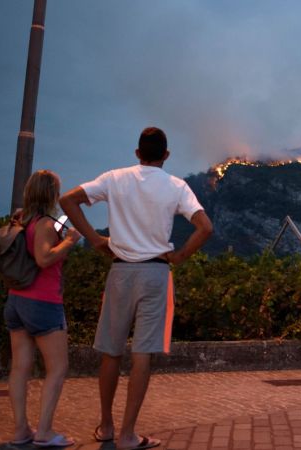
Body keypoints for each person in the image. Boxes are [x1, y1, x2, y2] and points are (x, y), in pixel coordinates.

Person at [60, 127, 213, 450]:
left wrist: (95, 239)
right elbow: (205, 227)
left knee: (111, 351)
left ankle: (106, 425)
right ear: (166, 155)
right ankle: (129, 434)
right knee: (142, 354)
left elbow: (68, 200)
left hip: (120, 271)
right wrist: (181, 255)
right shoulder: (177, 186)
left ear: (137, 153)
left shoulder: (116, 178)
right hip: (156, 272)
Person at [4, 170, 81, 448]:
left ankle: (20, 430)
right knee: (58, 368)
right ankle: (45, 432)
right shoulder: (46, 224)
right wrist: (70, 241)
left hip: (16, 300)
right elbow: (44, 258)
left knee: (20, 368)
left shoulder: (20, 220)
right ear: (51, 194)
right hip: (43, 303)